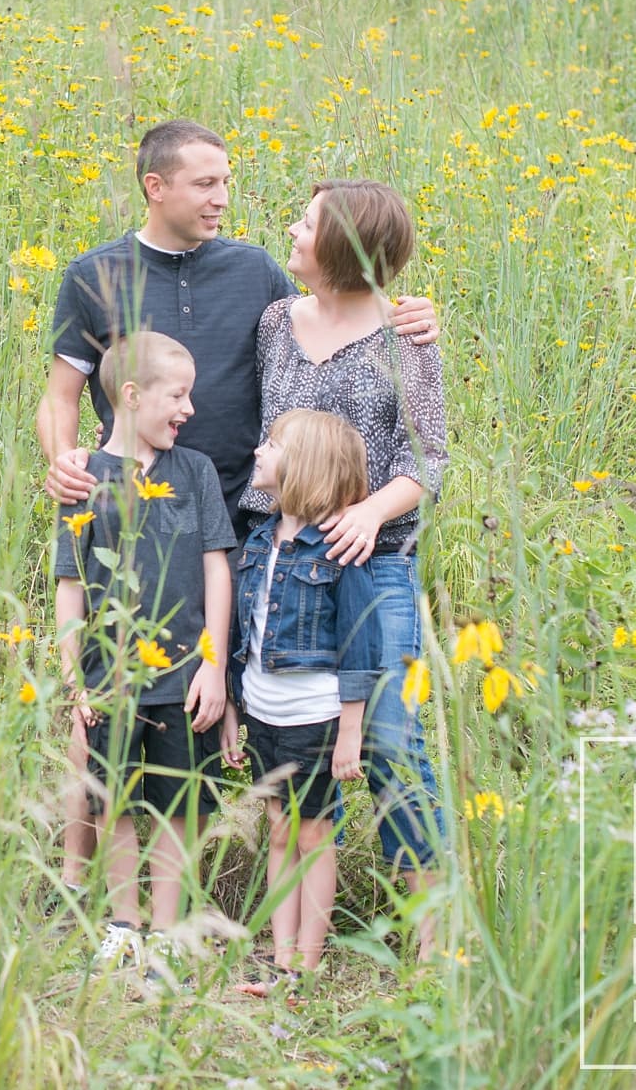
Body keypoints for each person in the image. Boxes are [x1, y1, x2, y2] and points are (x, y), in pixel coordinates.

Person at [36, 120, 438, 905]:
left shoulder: (256, 273)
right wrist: (63, 458)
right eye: (207, 183)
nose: (225, 197)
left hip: (247, 525)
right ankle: (75, 883)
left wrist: (412, 316)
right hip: (134, 519)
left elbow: (338, 312)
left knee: (226, 704)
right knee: (103, 700)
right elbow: (59, 396)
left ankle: (223, 891)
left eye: (227, 181)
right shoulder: (95, 275)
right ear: (156, 187)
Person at [236, 178, 448, 962]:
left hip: (370, 561)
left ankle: (433, 940)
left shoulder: (406, 335)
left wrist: (368, 513)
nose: (291, 230)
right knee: (269, 723)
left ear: (343, 246)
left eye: (307, 222)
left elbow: (428, 458)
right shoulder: (273, 323)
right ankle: (289, 931)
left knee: (392, 737)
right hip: (280, 557)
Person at [53, 331, 234, 994]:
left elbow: (218, 567)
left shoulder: (195, 472)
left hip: (186, 676)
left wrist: (214, 665)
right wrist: (74, 679)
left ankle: (166, 930)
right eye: (178, 395)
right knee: (119, 803)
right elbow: (70, 585)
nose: (188, 408)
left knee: (178, 805)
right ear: (131, 396)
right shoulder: (85, 479)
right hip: (111, 680)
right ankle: (123, 925)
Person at [219, 409, 381, 998]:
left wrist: (350, 732)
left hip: (314, 718)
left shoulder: (338, 550)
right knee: (279, 829)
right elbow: (247, 635)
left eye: (273, 444)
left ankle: (305, 963)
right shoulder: (260, 539)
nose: (258, 451)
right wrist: (235, 709)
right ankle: (279, 953)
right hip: (262, 710)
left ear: (304, 466)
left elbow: (364, 643)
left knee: (313, 835)